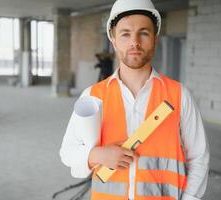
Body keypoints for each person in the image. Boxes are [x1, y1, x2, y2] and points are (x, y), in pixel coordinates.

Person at [59, 0, 209, 199]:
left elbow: (198, 158)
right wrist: (97, 155)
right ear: (113, 39)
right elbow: (67, 152)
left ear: (155, 38)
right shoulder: (93, 97)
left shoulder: (180, 96)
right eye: (125, 33)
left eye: (144, 33)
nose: (135, 42)